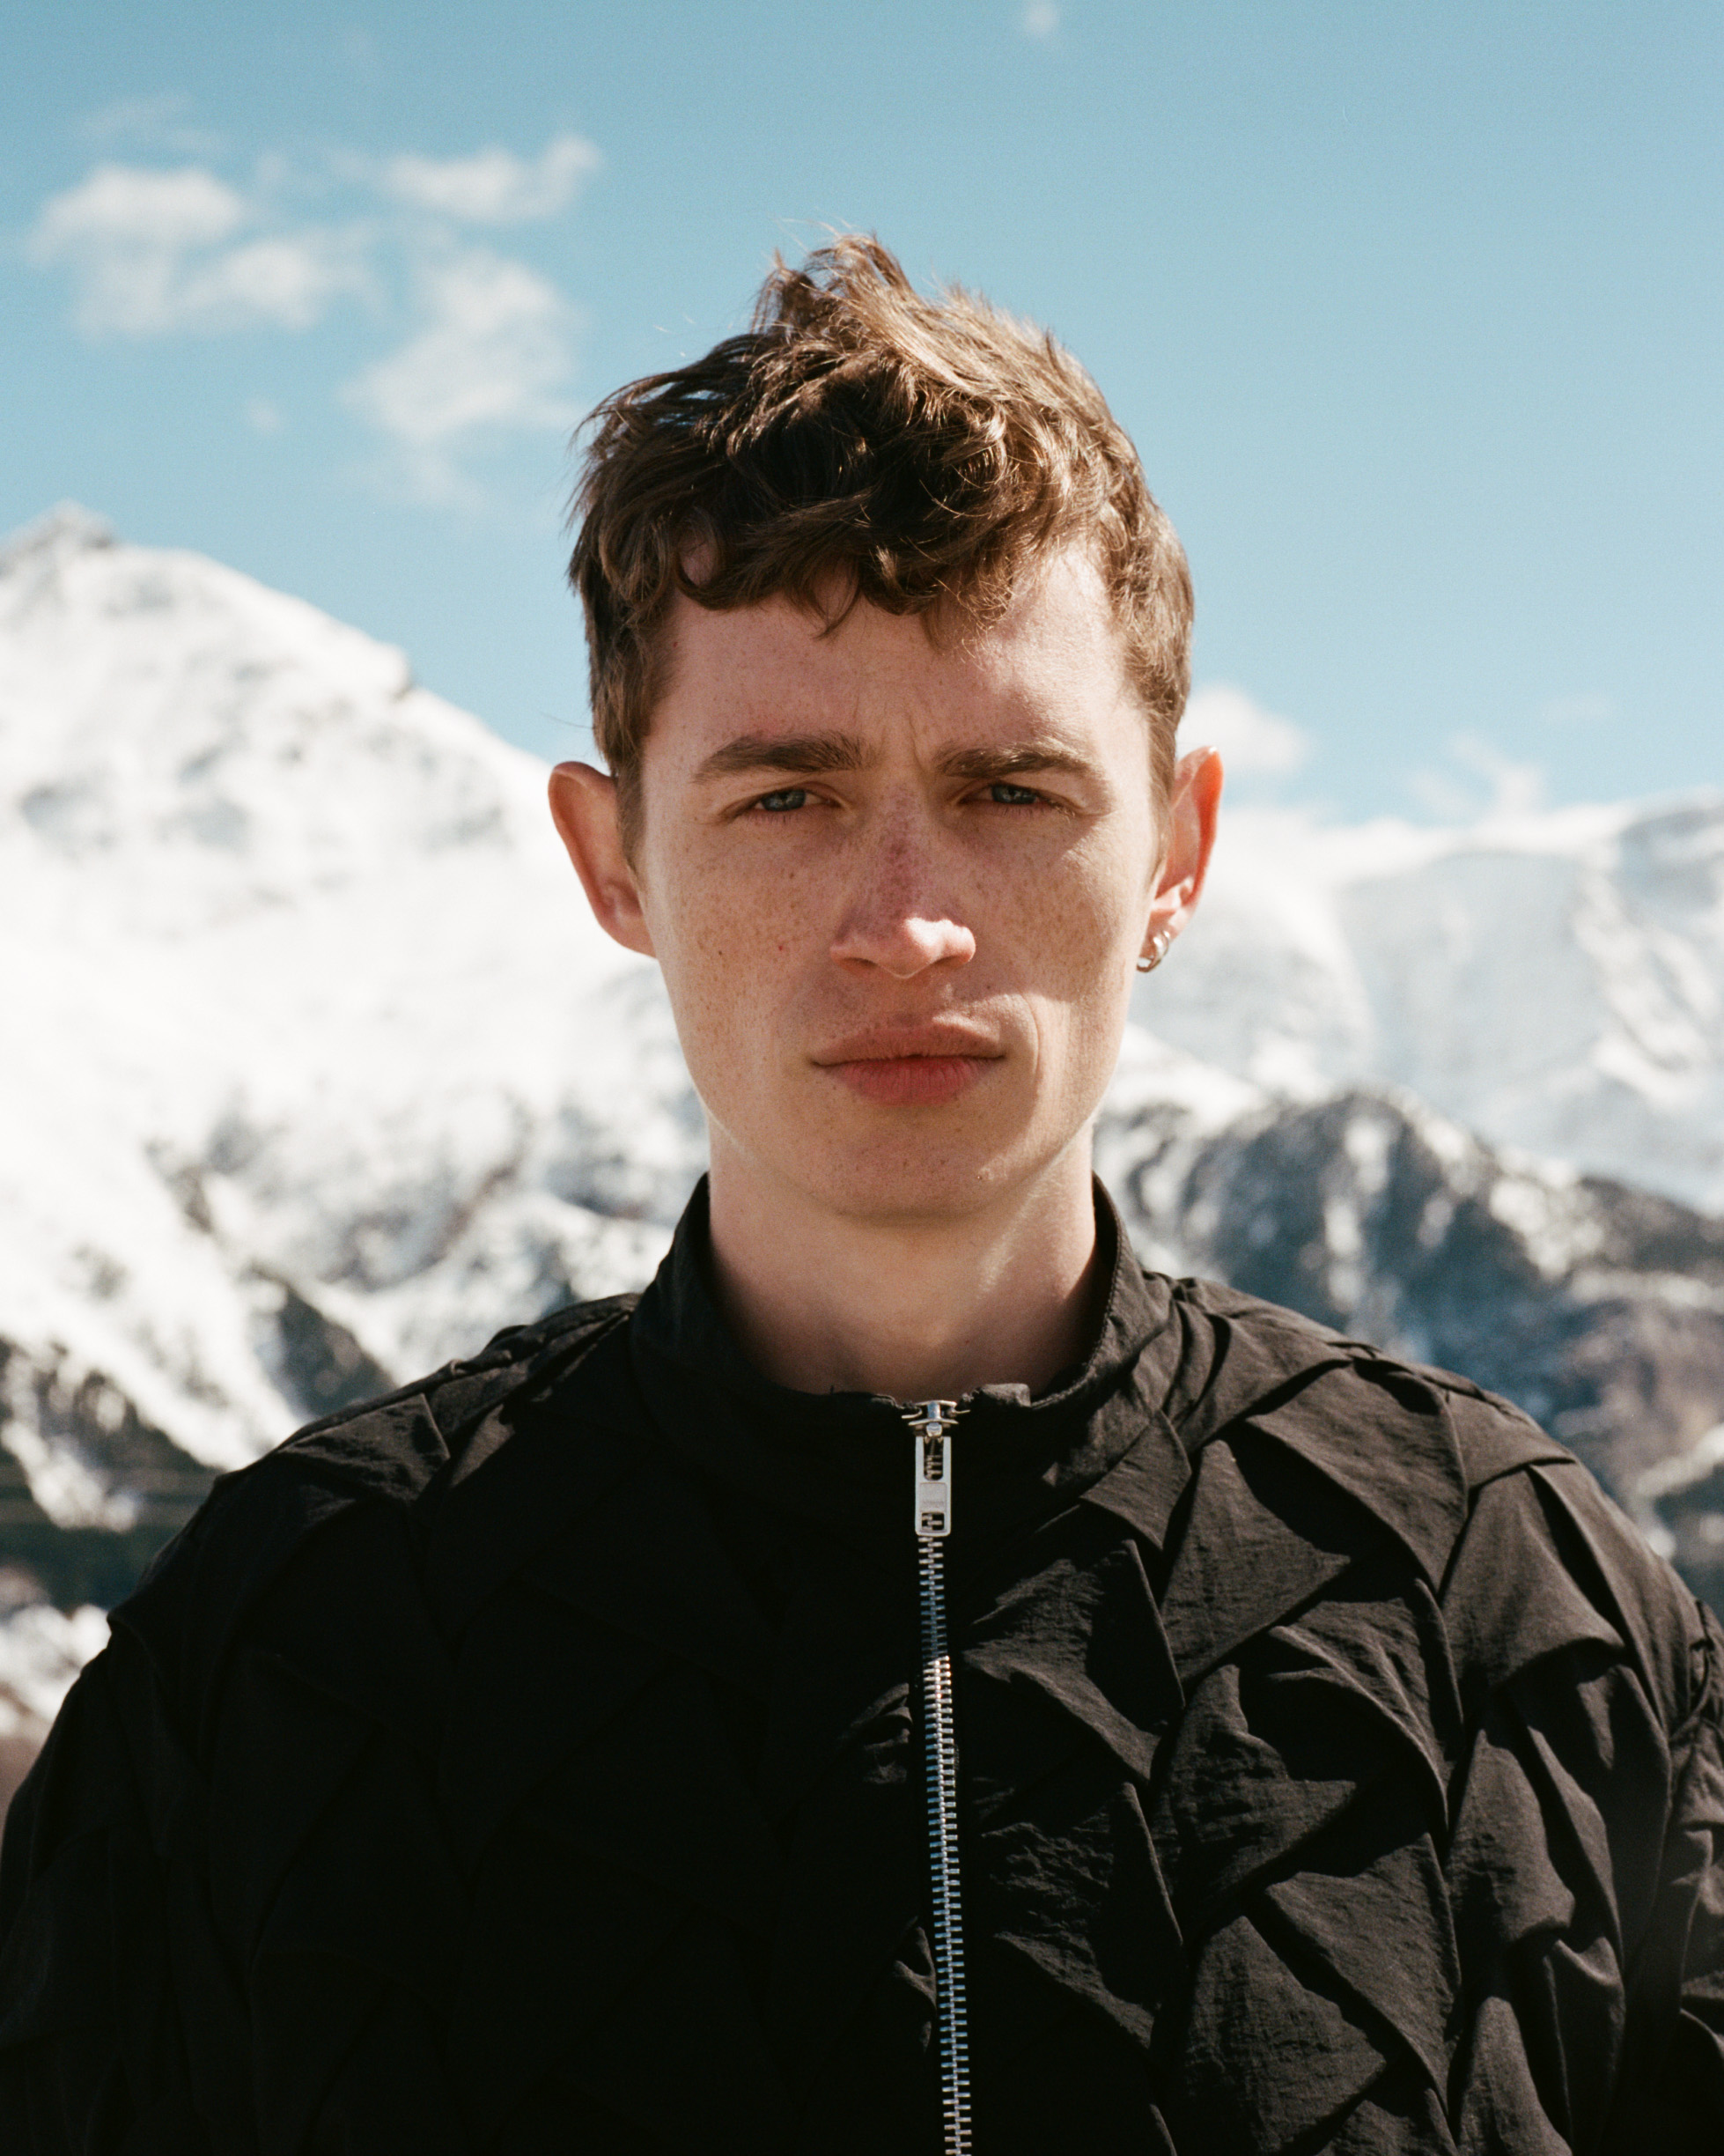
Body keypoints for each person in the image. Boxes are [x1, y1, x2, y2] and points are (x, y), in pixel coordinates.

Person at [2, 237, 1720, 2156]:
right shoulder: (285, 1647)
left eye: (1011, 793)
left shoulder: (1513, 1604)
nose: (906, 925)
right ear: (612, 859)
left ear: (1179, 849)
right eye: (785, 797)